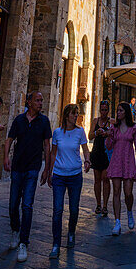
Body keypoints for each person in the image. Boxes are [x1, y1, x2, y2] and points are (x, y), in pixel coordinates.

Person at [4, 90, 51, 262]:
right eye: (37, 100)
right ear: (29, 102)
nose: (40, 103)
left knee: (27, 205)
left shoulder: (44, 121)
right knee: (13, 203)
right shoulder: (19, 120)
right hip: (17, 167)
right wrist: (6, 157)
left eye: (41, 100)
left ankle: (24, 242)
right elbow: (9, 139)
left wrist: (47, 169)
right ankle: (15, 230)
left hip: (33, 167)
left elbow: (47, 145)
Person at [47, 103, 91, 257]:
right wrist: (49, 172)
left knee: (74, 208)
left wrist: (87, 160)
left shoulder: (80, 132)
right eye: (73, 113)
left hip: (75, 176)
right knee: (57, 210)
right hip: (59, 175)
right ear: (66, 116)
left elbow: (85, 149)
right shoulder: (57, 133)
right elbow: (53, 154)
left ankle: (71, 232)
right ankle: (56, 244)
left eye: (77, 113)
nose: (76, 116)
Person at [106, 101, 136, 235]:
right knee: (116, 191)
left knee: (128, 193)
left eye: (121, 110)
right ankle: (117, 221)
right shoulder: (114, 128)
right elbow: (109, 146)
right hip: (116, 161)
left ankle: (129, 211)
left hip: (128, 162)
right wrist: (109, 135)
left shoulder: (133, 128)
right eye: (117, 111)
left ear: (126, 112)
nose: (118, 113)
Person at [88, 99, 113, 216]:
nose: (104, 112)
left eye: (106, 110)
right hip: (97, 152)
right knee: (97, 180)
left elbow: (115, 134)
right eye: (102, 110)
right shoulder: (95, 121)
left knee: (106, 179)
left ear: (108, 110)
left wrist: (108, 133)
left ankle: (105, 205)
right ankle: (98, 204)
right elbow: (90, 136)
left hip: (107, 154)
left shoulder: (111, 122)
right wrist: (97, 133)